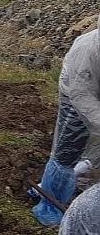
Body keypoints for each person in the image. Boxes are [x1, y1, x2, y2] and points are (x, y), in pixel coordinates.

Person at [31, 13, 100, 226]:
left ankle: (84, 176)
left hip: (93, 86)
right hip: (74, 92)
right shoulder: (88, 49)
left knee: (94, 149)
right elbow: (81, 94)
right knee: (67, 151)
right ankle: (50, 203)